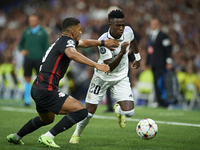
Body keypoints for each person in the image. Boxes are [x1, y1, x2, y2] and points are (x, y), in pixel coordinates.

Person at [6, 17, 119, 148]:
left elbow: (84, 43)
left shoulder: (62, 41)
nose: (81, 32)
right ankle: (48, 136)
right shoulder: (67, 42)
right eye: (79, 29)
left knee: (47, 119)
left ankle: (16, 137)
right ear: (72, 32)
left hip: (38, 87)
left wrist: (103, 43)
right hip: (46, 89)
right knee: (82, 111)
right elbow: (72, 54)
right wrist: (96, 65)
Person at [69, 9, 141, 143]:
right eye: (117, 26)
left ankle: (118, 110)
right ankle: (76, 134)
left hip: (121, 77)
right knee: (89, 112)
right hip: (102, 77)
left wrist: (137, 57)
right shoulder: (103, 40)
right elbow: (109, 67)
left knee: (129, 113)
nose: (121, 28)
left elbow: (134, 40)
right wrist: (122, 53)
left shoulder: (128, 31)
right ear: (110, 26)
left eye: (123, 25)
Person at [99, 6, 141, 112]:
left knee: (125, 79)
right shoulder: (103, 28)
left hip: (124, 60)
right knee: (108, 82)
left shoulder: (127, 27)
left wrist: (132, 52)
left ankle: (123, 103)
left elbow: (135, 37)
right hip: (110, 59)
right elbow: (100, 44)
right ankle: (110, 106)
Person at [18, 14, 49, 106]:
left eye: (34, 20)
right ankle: (26, 100)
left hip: (39, 59)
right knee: (27, 78)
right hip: (28, 59)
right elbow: (20, 45)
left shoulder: (43, 32)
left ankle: (41, 100)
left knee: (40, 79)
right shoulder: (26, 31)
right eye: (30, 20)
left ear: (37, 20)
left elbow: (46, 47)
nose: (32, 22)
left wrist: (45, 59)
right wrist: (22, 50)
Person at [146, 18, 172, 107]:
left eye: (154, 23)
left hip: (161, 63)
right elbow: (149, 50)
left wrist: (168, 61)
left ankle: (164, 102)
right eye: (151, 23)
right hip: (154, 64)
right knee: (155, 83)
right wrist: (148, 62)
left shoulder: (163, 36)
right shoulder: (150, 35)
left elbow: (168, 49)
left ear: (158, 24)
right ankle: (159, 101)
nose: (153, 25)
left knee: (161, 83)